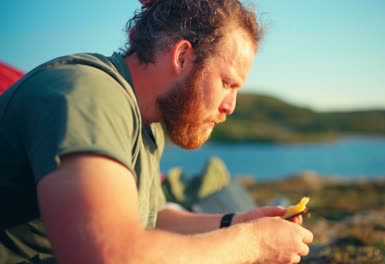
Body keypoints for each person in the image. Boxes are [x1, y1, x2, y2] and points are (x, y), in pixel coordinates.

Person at [0, 0, 313, 263]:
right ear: (181, 56)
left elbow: (152, 218)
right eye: (227, 83)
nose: (231, 105)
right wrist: (252, 243)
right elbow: (108, 254)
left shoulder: (149, 124)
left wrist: (233, 223)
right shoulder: (91, 95)